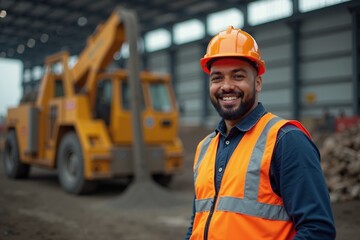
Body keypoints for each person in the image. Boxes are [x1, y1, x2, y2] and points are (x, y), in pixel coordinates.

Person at [184, 26, 336, 240]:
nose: (226, 86)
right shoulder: (205, 147)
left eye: (237, 76)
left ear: (257, 83)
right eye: (217, 78)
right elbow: (198, 223)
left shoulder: (286, 141)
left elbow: (318, 231)